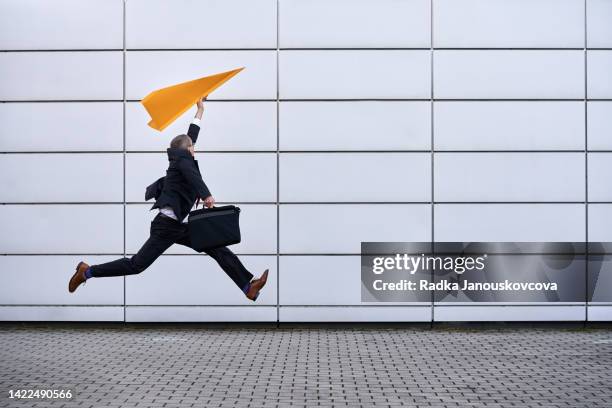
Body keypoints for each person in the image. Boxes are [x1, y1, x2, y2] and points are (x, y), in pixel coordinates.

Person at [68, 97, 268, 301]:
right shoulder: (183, 161)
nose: (194, 149)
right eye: (192, 148)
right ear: (187, 150)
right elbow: (193, 176)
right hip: (165, 227)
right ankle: (87, 272)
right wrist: (206, 194)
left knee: (216, 247)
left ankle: (248, 286)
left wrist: (200, 110)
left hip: (177, 226)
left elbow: (190, 137)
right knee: (136, 265)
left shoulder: (180, 157)